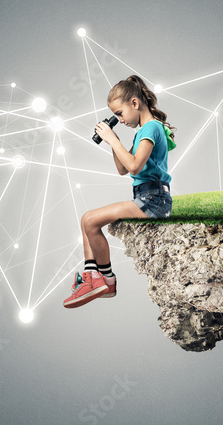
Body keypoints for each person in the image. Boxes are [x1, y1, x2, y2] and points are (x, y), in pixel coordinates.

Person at [63, 74, 176, 308]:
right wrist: (112, 141)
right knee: (86, 218)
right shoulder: (143, 132)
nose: (121, 120)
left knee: (92, 220)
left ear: (135, 103)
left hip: (154, 200)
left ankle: (106, 279)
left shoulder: (152, 128)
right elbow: (122, 169)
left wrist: (114, 140)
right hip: (147, 198)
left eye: (120, 114)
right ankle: (92, 277)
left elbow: (135, 165)